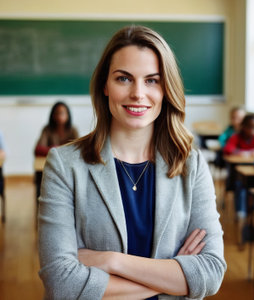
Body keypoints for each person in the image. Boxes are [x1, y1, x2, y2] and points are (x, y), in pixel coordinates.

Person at [38, 25, 226, 299]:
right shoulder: (64, 165)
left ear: (166, 89)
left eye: (152, 80)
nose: (138, 93)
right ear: (105, 85)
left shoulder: (191, 165)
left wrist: (112, 261)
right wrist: (174, 275)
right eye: (124, 79)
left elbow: (210, 273)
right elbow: (62, 284)